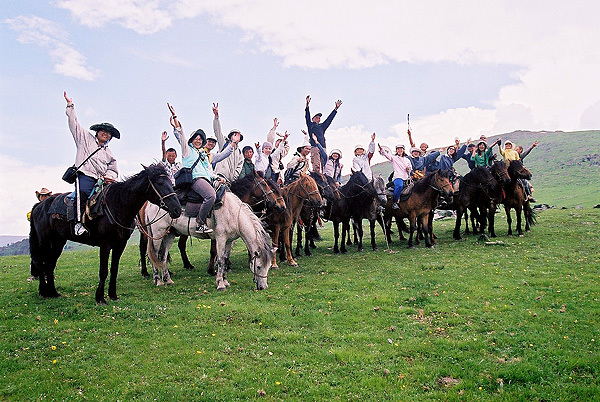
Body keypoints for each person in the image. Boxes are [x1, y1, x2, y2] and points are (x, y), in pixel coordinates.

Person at [64, 91, 119, 236]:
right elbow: (74, 124)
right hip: (85, 176)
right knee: (82, 193)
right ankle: (78, 223)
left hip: (102, 180)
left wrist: (109, 176)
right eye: (103, 131)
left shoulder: (109, 153)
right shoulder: (84, 139)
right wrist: (70, 106)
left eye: (109, 133)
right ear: (98, 132)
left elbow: (113, 169)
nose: (106, 134)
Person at [169, 105, 226, 234]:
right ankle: (200, 223)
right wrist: (175, 117)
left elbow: (209, 171)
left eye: (201, 139)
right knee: (211, 195)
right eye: (196, 138)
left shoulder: (203, 155)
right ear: (192, 140)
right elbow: (181, 135)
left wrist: (218, 178)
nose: (198, 140)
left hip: (206, 178)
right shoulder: (187, 150)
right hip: (195, 179)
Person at [305, 95, 342, 173]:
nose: (318, 119)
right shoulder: (310, 125)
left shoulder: (322, 126)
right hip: (314, 147)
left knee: (325, 164)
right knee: (316, 165)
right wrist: (307, 105)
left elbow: (329, 119)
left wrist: (335, 109)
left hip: (323, 147)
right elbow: (307, 116)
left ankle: (325, 178)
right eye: (316, 117)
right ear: (313, 119)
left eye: (319, 118)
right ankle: (316, 177)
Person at [211, 103, 244, 182]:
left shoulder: (239, 153)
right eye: (234, 134)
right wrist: (216, 117)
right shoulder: (224, 144)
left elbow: (239, 168)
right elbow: (217, 131)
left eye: (237, 135)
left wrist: (233, 178)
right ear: (230, 136)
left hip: (230, 181)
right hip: (219, 177)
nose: (235, 137)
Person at [379, 144, 412, 209]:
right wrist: (381, 150)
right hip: (398, 177)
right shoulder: (394, 158)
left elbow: (410, 168)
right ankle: (395, 202)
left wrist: (409, 169)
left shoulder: (407, 159)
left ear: (403, 150)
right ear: (396, 150)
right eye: (398, 149)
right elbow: (386, 155)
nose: (400, 150)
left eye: (401, 149)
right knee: (400, 185)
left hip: (406, 177)